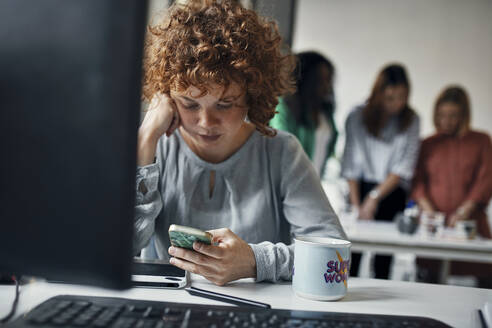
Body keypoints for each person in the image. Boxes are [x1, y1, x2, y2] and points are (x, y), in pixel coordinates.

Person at [134, 0, 346, 286]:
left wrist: (254, 261)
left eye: (225, 104)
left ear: (251, 95)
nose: (206, 122)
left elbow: (334, 256)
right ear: (168, 98)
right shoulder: (156, 149)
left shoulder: (282, 152)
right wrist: (145, 140)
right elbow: (114, 248)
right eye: (189, 104)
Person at [341, 64, 420, 279]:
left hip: (392, 191)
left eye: (402, 97)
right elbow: (350, 163)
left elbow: (404, 166)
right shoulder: (356, 117)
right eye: (390, 97)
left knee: (384, 259)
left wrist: (374, 198)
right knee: (352, 254)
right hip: (359, 187)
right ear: (378, 94)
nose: (396, 104)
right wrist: (358, 206)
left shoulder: (411, 120)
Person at [412, 86, 492, 286]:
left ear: (464, 115)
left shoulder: (481, 141)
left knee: (482, 278)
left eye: (453, 115)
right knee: (429, 277)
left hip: (470, 222)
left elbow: (486, 179)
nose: (445, 121)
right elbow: (417, 180)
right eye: (441, 115)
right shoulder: (428, 144)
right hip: (434, 223)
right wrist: (430, 212)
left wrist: (465, 210)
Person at [270, 51, 338, 177]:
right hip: (287, 184)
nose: (327, 86)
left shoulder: (325, 111)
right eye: (320, 80)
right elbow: (281, 147)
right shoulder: (283, 107)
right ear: (304, 79)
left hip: (315, 182)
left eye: (328, 80)